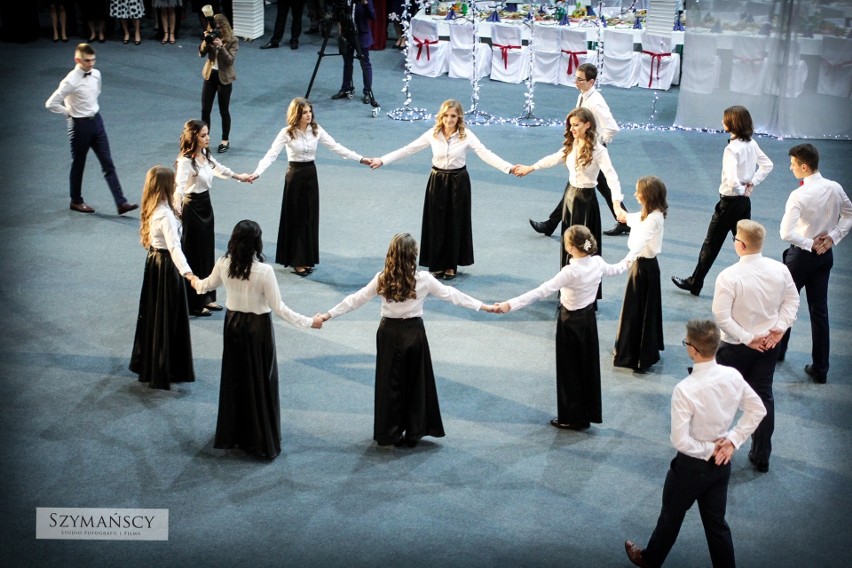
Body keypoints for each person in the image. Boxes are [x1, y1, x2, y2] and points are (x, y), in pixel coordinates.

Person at [319, 233, 496, 447]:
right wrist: (484, 306)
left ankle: (389, 432)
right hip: (414, 334)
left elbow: (355, 300)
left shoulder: (382, 278)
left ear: (391, 254)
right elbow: (452, 295)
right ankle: (414, 431)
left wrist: (328, 314)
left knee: (389, 383)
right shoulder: (423, 279)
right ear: (413, 256)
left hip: (388, 334)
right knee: (416, 383)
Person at [624, 319, 766, 568]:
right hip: (721, 466)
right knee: (717, 525)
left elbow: (680, 440)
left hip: (690, 468)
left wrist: (713, 448)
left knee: (671, 517)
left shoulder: (685, 389)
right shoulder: (732, 376)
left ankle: (649, 560)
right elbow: (758, 410)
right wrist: (732, 442)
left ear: (692, 350)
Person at [191, 220, 323, 459]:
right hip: (257, 329)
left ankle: (234, 433)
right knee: (261, 381)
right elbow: (279, 308)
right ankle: (260, 436)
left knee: (235, 379)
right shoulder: (264, 271)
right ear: (257, 243)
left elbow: (204, 287)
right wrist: (309, 322)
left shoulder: (223, 264)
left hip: (232, 327)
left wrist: (191, 278)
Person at [495, 226, 628, 430]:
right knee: (586, 367)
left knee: (569, 371)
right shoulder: (597, 262)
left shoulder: (570, 272)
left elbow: (541, 291)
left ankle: (572, 416)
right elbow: (617, 269)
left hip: (570, 324)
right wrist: (632, 256)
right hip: (588, 322)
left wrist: (510, 304)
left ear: (572, 247)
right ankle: (586, 413)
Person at [370, 99, 515, 280]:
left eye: (453, 116)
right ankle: (436, 263)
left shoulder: (467, 135)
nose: (449, 119)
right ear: (441, 116)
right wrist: (382, 160)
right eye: (446, 115)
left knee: (455, 223)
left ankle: (450, 265)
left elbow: (485, 153)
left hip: (458, 182)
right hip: (437, 181)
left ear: (459, 117)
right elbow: (408, 149)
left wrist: (508, 167)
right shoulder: (433, 134)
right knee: (435, 223)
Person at [711, 219, 799, 473]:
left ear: (740, 244)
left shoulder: (729, 276)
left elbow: (722, 317)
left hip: (734, 348)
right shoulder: (780, 270)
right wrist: (780, 328)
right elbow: (792, 301)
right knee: (762, 398)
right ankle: (761, 455)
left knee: (721, 398)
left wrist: (748, 338)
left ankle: (714, 450)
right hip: (768, 346)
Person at [250, 97, 371, 276]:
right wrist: (257, 172)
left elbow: (336, 147)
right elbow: (271, 155)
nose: (309, 115)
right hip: (295, 177)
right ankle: (297, 260)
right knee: (296, 219)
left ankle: (307, 258)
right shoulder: (286, 133)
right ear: (296, 114)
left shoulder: (316, 129)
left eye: (309, 111)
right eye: (304, 112)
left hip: (311, 176)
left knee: (309, 218)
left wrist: (360, 159)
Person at [672, 105, 773, 296]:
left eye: (724, 119)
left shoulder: (731, 149)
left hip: (728, 205)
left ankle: (695, 282)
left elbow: (731, 180)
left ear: (732, 123)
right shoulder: (751, 144)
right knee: (747, 244)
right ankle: (758, 285)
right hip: (744, 204)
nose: (722, 122)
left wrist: (741, 187)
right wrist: (752, 183)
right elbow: (767, 165)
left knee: (711, 244)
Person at [514, 107, 624, 271]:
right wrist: (531, 168)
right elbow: (553, 159)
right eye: (570, 125)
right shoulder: (572, 145)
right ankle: (568, 284)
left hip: (587, 203)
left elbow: (612, 177)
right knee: (570, 245)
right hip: (570, 200)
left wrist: (616, 204)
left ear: (587, 125)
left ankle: (587, 286)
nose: (571, 129)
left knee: (586, 246)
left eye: (576, 125)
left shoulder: (599, 150)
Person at [777, 143, 852, 384]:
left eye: (792, 165)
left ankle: (778, 352)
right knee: (819, 311)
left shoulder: (798, 195)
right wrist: (832, 238)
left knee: (786, 304)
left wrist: (810, 244)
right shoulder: (835, 187)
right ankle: (821, 368)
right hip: (824, 258)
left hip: (800, 257)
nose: (790, 169)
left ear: (804, 166)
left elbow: (786, 233)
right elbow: (849, 214)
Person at [529, 63, 629, 238]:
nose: (576, 82)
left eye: (580, 79)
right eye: (575, 78)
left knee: (591, 185)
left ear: (591, 81)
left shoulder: (596, 102)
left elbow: (612, 127)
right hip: (583, 146)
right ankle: (624, 220)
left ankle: (551, 224)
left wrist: (596, 142)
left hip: (592, 149)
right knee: (583, 185)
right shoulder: (582, 96)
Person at [45, 43, 138, 215]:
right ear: (77, 59)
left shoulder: (96, 74)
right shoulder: (70, 80)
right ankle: (76, 200)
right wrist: (69, 113)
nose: (91, 64)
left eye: (93, 60)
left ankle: (121, 202)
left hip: (97, 121)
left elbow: (96, 93)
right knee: (79, 164)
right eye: (87, 61)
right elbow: (51, 103)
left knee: (107, 162)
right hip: (79, 126)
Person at [175, 120, 253, 317]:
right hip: (192, 209)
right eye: (203, 135)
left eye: (207, 134)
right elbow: (178, 188)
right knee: (194, 253)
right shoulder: (185, 161)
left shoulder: (205, 155)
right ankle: (194, 302)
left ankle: (207, 297)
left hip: (206, 206)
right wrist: (177, 212)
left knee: (206, 251)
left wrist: (239, 177)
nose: (207, 138)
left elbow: (219, 169)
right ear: (193, 138)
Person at [129, 166, 197, 390]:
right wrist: (188, 273)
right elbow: (175, 248)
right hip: (168, 267)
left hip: (154, 264)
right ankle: (167, 367)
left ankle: (154, 363)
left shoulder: (153, 208)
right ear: (166, 186)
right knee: (169, 317)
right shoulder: (166, 216)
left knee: (155, 316)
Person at [613, 176, 667, 373]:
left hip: (643, 268)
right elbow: (629, 218)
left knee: (636, 311)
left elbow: (641, 241)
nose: (635, 194)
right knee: (637, 310)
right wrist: (617, 204)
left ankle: (635, 354)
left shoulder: (654, 218)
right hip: (642, 267)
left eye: (638, 191)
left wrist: (626, 261)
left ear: (648, 195)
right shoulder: (648, 213)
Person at [200, 11, 238, 153]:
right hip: (210, 76)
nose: (217, 30)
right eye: (214, 27)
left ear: (224, 27)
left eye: (219, 28)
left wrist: (220, 46)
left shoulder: (233, 40)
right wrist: (206, 40)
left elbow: (230, 61)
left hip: (224, 79)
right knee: (205, 110)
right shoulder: (211, 35)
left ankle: (225, 140)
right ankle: (204, 140)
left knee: (224, 111)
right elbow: (201, 53)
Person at [330, 0, 378, 108]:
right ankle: (346, 88)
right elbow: (337, 16)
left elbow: (373, 16)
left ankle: (367, 92)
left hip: (361, 34)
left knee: (365, 64)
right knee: (347, 62)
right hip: (347, 33)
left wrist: (365, 3)